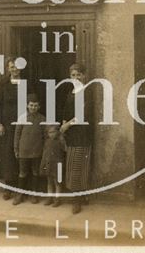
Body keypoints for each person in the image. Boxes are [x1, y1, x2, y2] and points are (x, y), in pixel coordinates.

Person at [60, 63, 94, 214]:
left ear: (84, 76)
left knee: (79, 166)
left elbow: (82, 115)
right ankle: (79, 196)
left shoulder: (87, 92)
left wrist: (67, 125)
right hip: (71, 134)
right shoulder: (71, 93)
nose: (76, 78)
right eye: (73, 75)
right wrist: (63, 123)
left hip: (82, 133)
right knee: (72, 164)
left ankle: (77, 200)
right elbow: (66, 111)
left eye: (78, 74)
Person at [0, 58, 22, 200]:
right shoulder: (2, 84)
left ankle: (21, 188)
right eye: (11, 67)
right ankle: (9, 187)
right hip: (7, 125)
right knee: (8, 156)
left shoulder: (27, 83)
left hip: (22, 124)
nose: (14, 69)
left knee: (21, 154)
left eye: (16, 67)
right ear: (8, 69)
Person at [13, 93, 45, 205]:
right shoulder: (22, 118)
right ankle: (20, 194)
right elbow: (17, 135)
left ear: (39, 106)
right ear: (27, 105)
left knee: (35, 172)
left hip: (37, 151)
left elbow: (44, 136)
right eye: (31, 105)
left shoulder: (42, 119)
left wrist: (43, 151)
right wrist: (16, 149)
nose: (33, 108)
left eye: (36, 106)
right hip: (24, 151)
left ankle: (33, 194)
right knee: (23, 173)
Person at [40, 125, 66, 207]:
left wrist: (62, 138)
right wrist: (43, 164)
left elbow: (65, 149)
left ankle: (57, 199)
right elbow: (44, 154)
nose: (51, 134)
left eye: (53, 132)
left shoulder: (60, 141)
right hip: (49, 164)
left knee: (57, 182)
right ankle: (49, 197)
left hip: (58, 164)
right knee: (49, 182)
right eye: (50, 132)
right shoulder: (47, 142)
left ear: (57, 132)